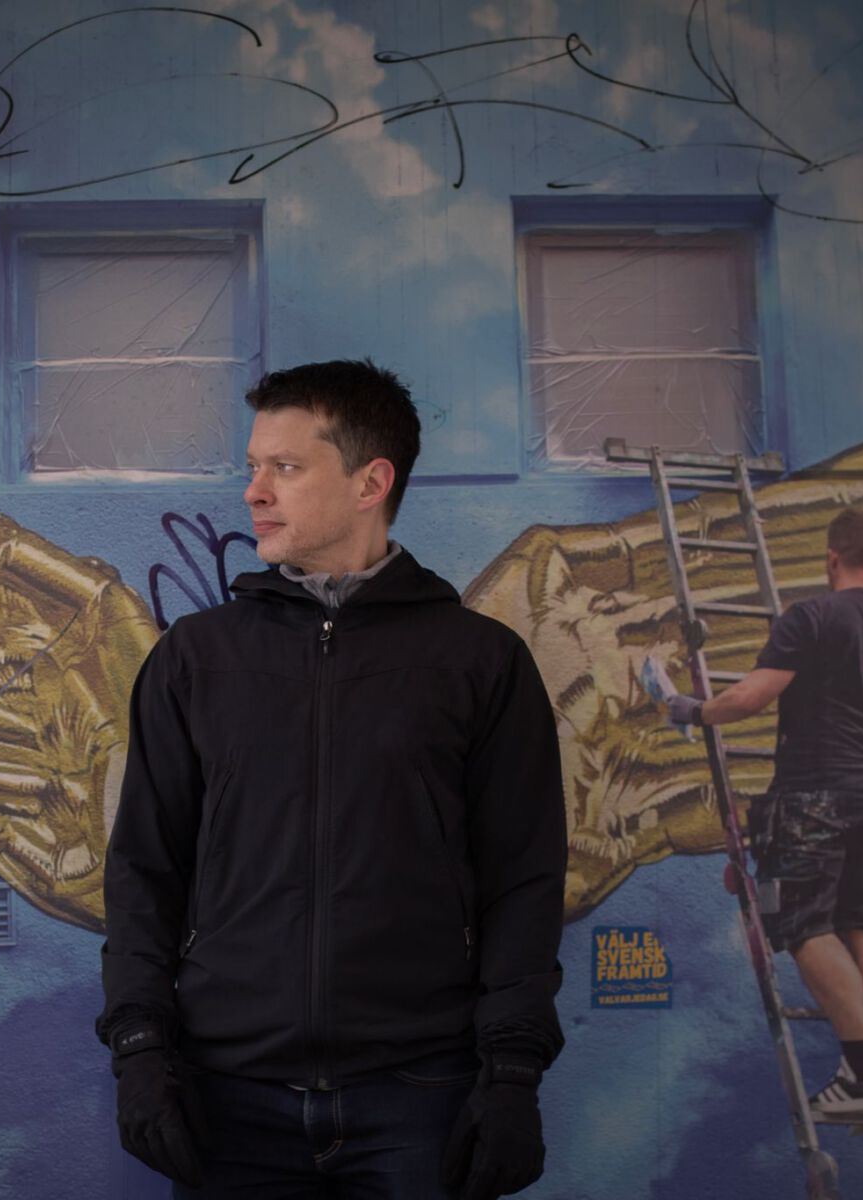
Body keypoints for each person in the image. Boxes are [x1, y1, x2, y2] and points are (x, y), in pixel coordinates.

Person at [97, 359, 568, 1198]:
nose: (254, 492)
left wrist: (511, 1074)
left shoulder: (479, 662)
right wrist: (139, 1049)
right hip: (227, 1096)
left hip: (422, 1094)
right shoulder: (196, 659)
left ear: (370, 482)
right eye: (254, 467)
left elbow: (522, 880)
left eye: (285, 467)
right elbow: (143, 870)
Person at [667, 508, 863, 1120]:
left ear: (832, 558)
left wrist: (688, 711)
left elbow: (750, 697)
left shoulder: (814, 616)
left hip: (813, 797)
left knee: (804, 925)